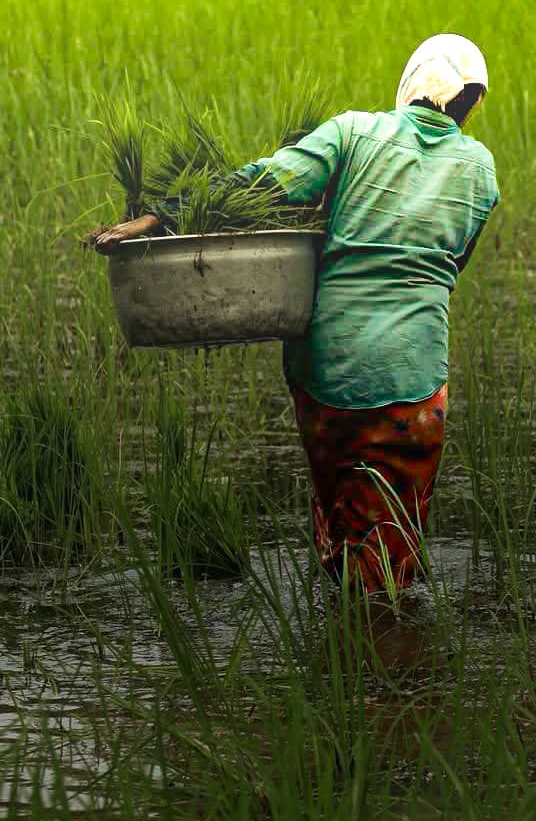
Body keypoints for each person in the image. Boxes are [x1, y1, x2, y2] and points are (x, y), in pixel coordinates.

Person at [93, 34, 500, 593]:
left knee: (341, 525)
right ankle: (386, 637)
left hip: (329, 376)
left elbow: (262, 184)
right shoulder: (481, 169)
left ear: (412, 83)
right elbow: (452, 265)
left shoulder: (353, 131)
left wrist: (161, 217)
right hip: (415, 381)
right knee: (391, 550)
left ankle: (342, 636)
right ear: (469, 103)